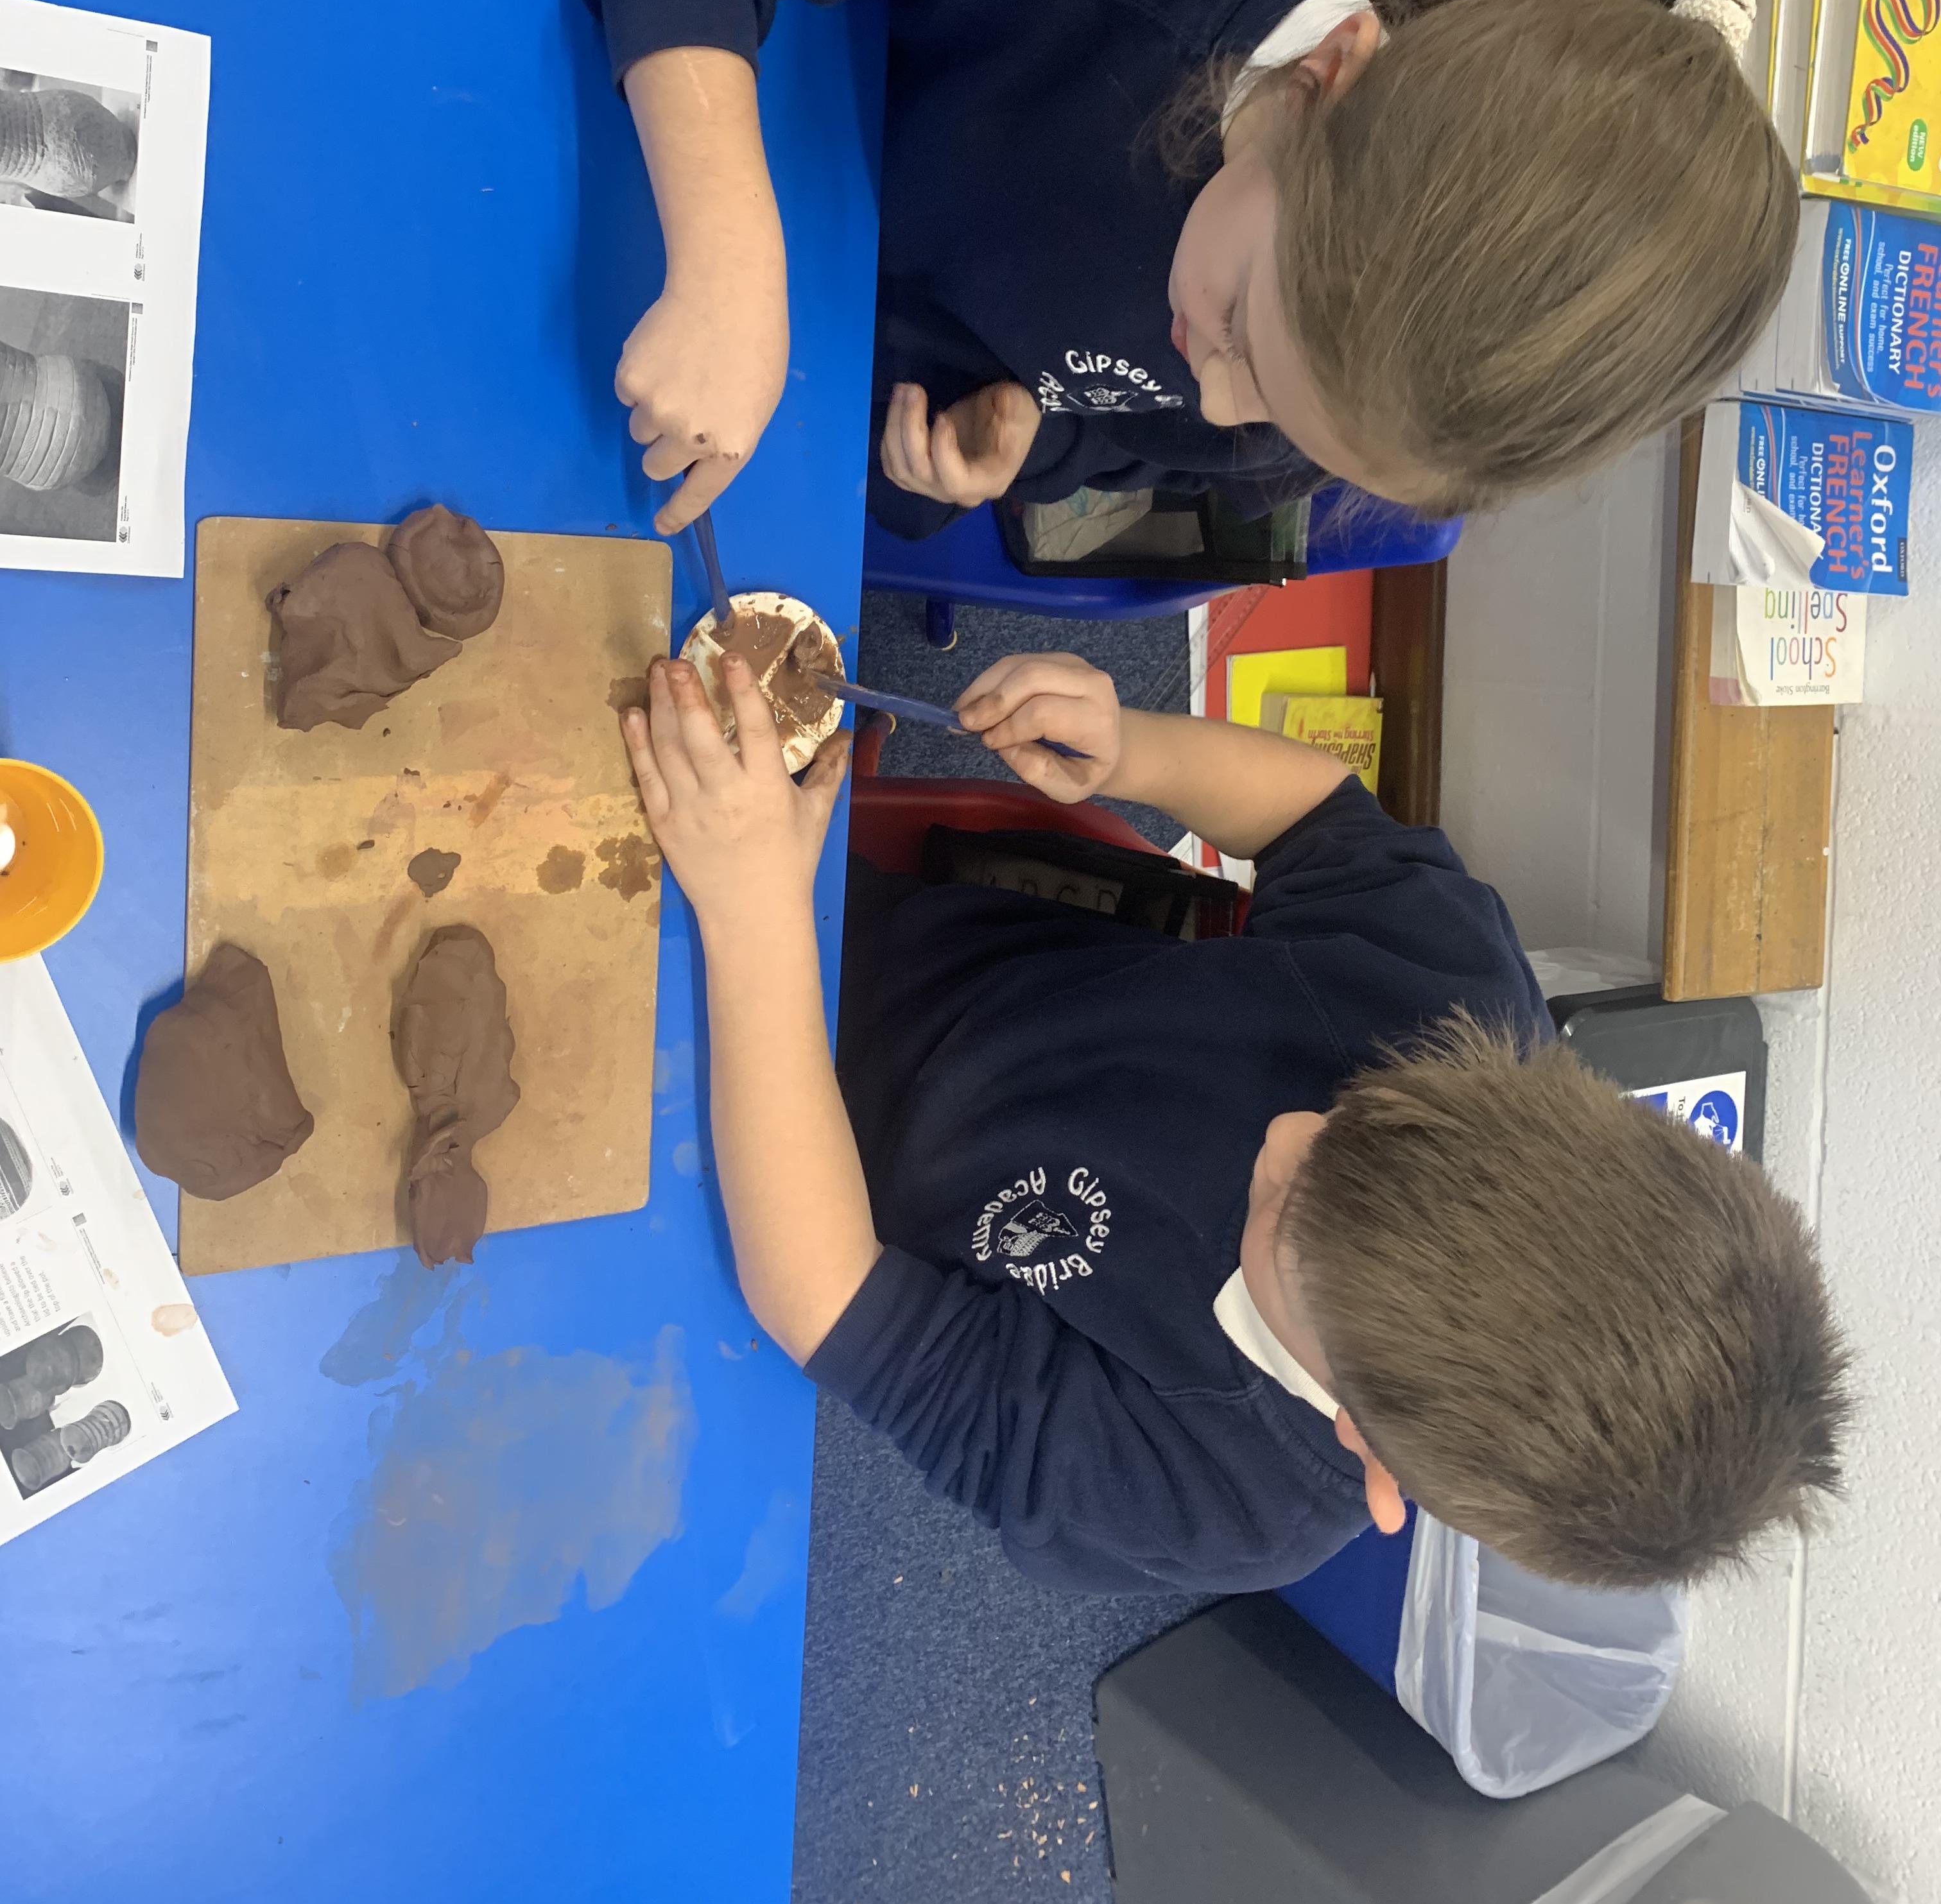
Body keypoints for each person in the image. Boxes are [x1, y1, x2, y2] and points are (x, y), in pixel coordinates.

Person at [619, 651, 1848, 1596]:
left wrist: (751, 917)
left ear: (1372, 1456)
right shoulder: (1456, 1002)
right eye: (1352, 1117)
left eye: (1284, 1212)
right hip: (859, 933)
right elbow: (1318, 816)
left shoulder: (1223, 1501)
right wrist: (1134, 748)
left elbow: (828, 1298)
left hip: (742, 1180)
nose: (1287, 1136)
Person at [581, 0, 1795, 542]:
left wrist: (1021, 442)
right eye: (1242, 339)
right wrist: (730, 264)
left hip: (750, 392)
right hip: (660, 112)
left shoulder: (1331, 381)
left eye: (1273, 418)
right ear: (1329, 73)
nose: (1217, 405)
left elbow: (1135, 433)